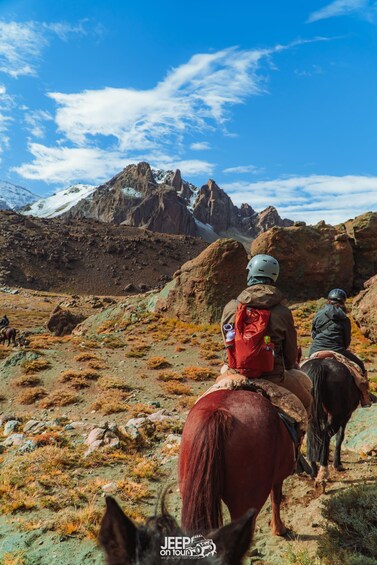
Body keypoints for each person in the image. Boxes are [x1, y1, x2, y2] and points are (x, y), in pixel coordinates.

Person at [221, 254, 312, 416]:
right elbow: (290, 356)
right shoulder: (283, 312)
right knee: (307, 402)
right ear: (274, 277)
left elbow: (227, 340)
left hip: (235, 373)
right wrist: (289, 364)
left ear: (250, 274)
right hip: (273, 376)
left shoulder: (231, 307)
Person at [309, 288, 371, 406]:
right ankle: (365, 397)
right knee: (360, 366)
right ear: (343, 302)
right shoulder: (344, 318)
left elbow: (314, 334)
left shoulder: (318, 314)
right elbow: (346, 341)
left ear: (328, 300)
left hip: (316, 349)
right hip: (336, 349)